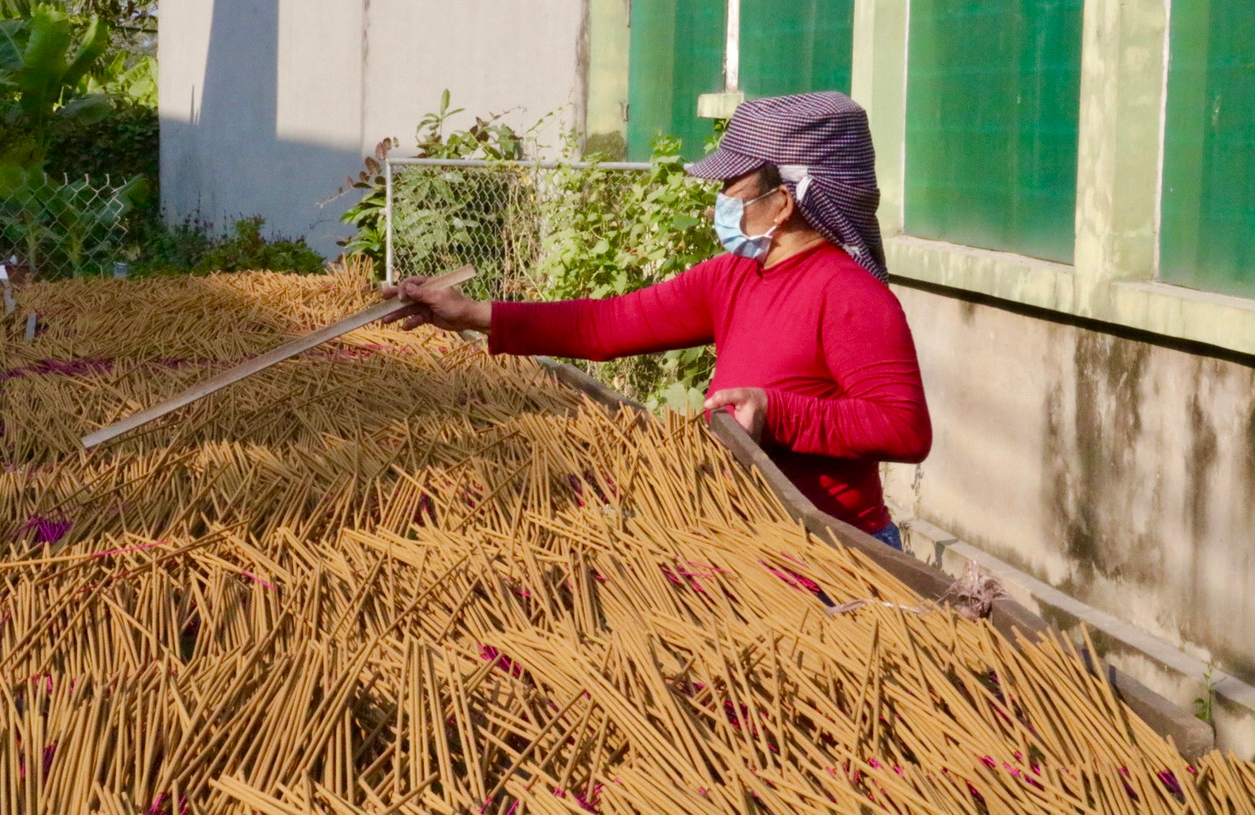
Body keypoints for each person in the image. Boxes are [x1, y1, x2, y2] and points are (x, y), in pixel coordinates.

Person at [381, 92, 931, 548]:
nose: (719, 199)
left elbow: (904, 429)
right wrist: (472, 313)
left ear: (783, 202)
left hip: (837, 548)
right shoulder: (732, 278)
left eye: (731, 186)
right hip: (759, 535)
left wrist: (777, 414)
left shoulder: (851, 296)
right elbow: (607, 324)